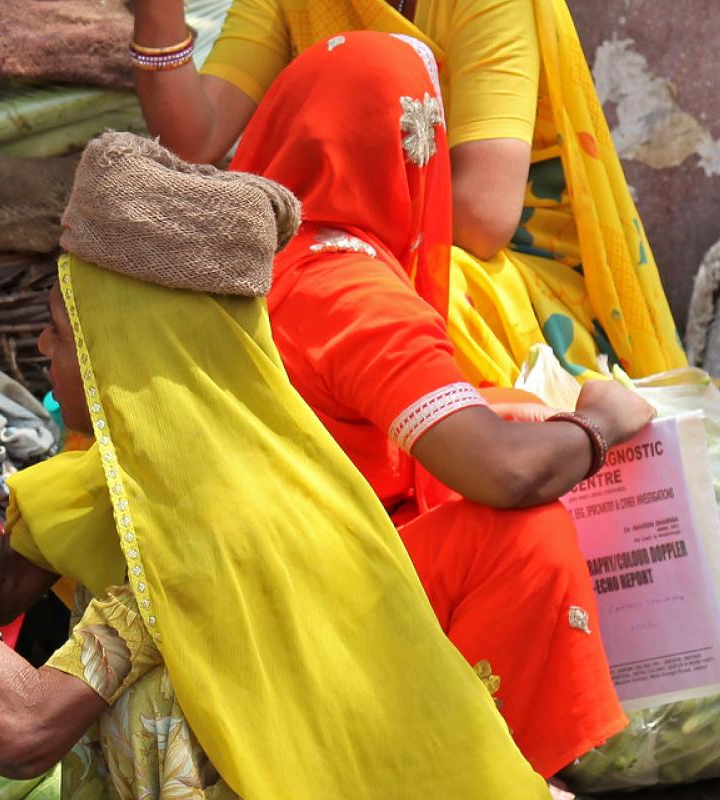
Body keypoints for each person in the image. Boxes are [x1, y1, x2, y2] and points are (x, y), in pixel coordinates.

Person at [0, 132, 548, 798]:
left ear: (126, 357)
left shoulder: (208, 529)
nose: (43, 350)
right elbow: (0, 587)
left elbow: (18, 733)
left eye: (64, 332)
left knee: (148, 697)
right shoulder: (165, 474)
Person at [228, 30, 655, 779]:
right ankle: (474, 774)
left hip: (257, 578)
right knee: (527, 537)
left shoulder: (265, 261)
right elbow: (502, 473)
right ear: (413, 152)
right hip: (313, 609)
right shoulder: (351, 291)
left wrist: (499, 409)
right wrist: (597, 428)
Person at [123, 0, 684, 386]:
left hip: (506, 262)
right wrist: (158, 13)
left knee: (373, 308)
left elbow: (481, 218)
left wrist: (331, 250)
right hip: (351, 235)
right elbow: (193, 141)